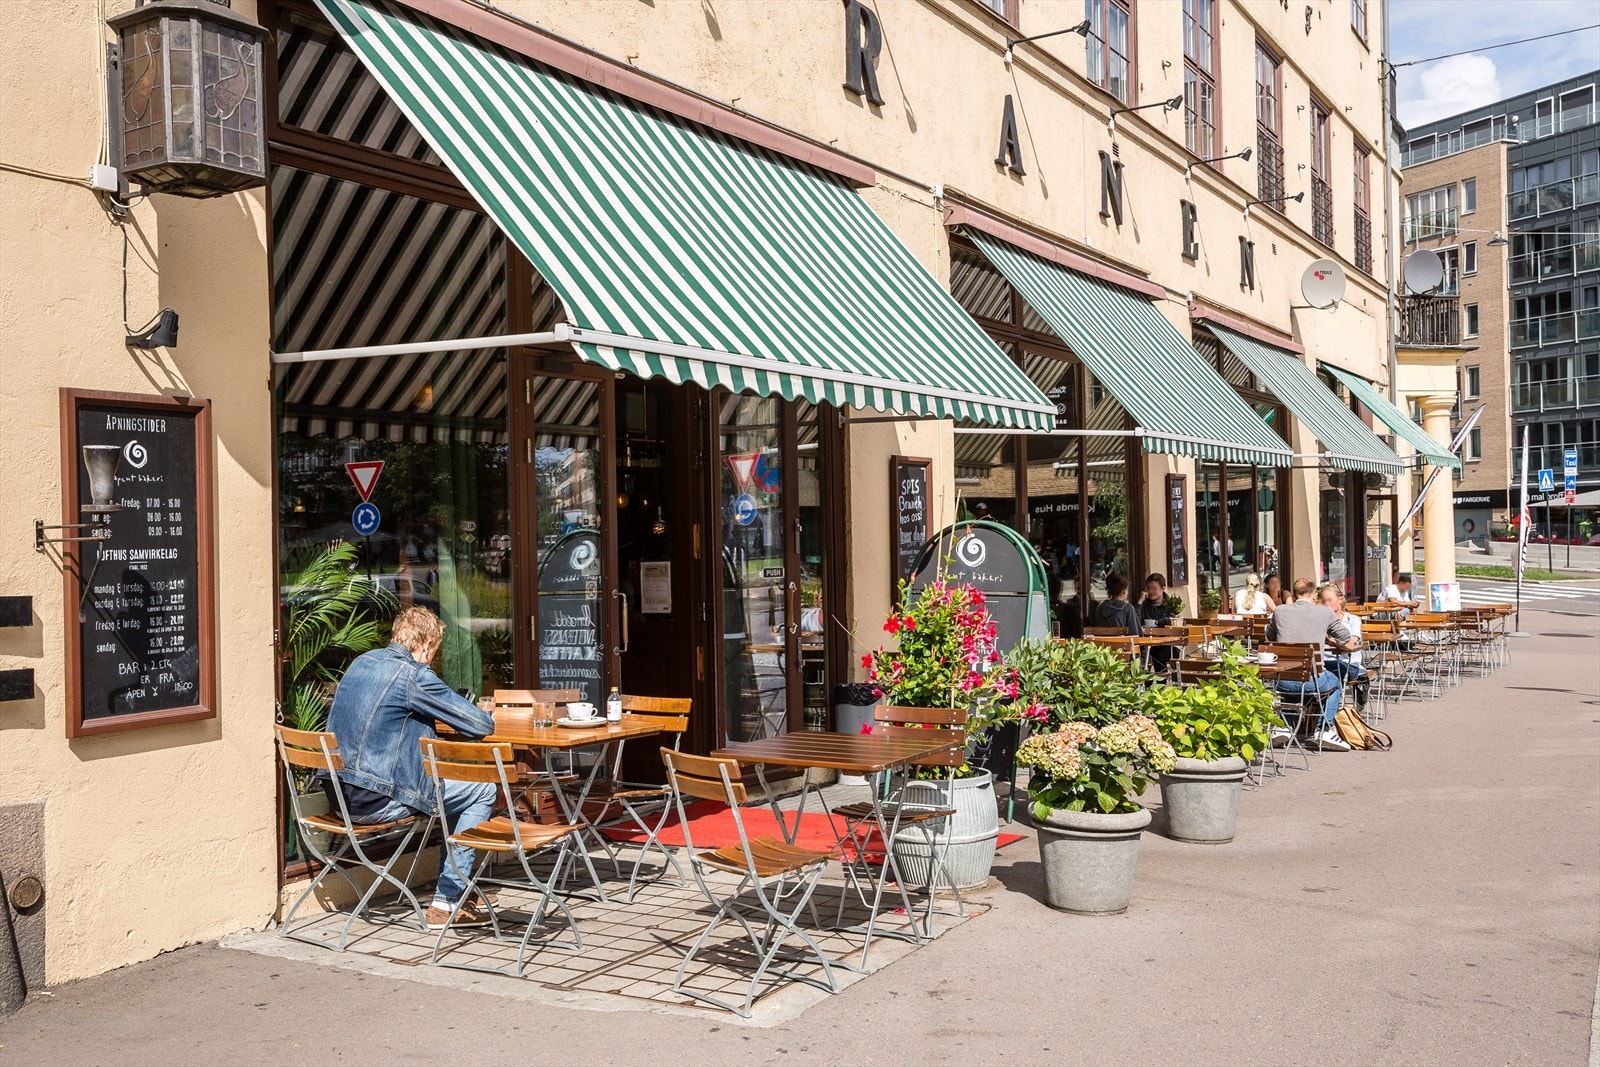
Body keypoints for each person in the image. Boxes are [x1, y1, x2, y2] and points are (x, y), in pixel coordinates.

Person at [325, 605, 498, 929]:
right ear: (427, 644)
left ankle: (458, 891)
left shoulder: (361, 662)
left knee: (443, 786)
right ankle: (449, 902)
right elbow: (479, 725)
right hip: (379, 799)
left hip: (340, 799)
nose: (433, 657)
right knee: (481, 789)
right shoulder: (414, 675)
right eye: (435, 650)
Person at [1265, 578, 1360, 752]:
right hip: (1312, 680)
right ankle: (1324, 729)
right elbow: (1346, 636)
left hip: (1282, 680)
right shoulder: (1324, 613)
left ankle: (1283, 727)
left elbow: (1269, 638)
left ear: (1293, 595)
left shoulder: (1279, 611)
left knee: (1292, 683)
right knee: (1334, 683)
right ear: (1314, 595)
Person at [1319, 583, 1369, 707]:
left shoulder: (1352, 619)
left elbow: (1351, 644)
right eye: (1324, 601)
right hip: (1324, 663)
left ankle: (1327, 715)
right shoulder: (1319, 619)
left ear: (1340, 599)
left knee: (1331, 674)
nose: (1326, 604)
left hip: (1348, 664)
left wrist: (1334, 643)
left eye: (1329, 600)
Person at [1137, 572, 1174, 674]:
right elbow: (1136, 620)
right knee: (1143, 654)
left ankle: (1160, 685)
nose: (1150, 591)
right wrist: (1140, 602)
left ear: (1163, 588)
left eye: (1154, 588)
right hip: (1147, 644)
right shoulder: (1144, 605)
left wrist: (1156, 623)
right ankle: (1147, 685)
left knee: (1160, 653)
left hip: (1167, 644)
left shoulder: (1171, 604)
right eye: (1148, 588)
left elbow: (1172, 620)